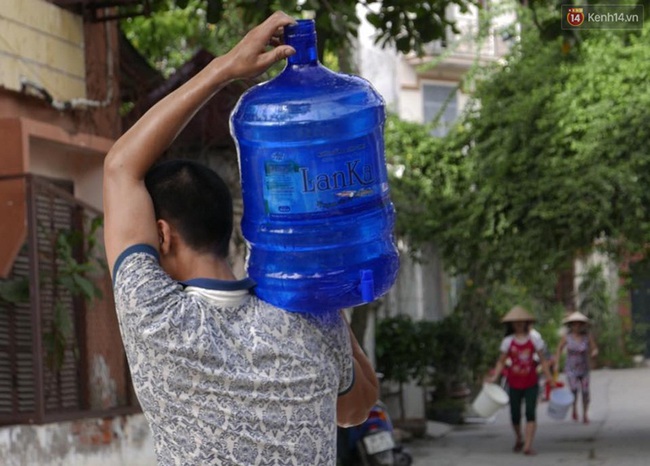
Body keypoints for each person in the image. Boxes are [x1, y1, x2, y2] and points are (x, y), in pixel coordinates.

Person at [102, 11, 379, 466]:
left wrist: (226, 67)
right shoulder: (305, 315)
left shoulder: (156, 318)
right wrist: (323, 283)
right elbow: (357, 407)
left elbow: (119, 167)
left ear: (161, 236)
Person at [488, 305, 555, 456]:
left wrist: (550, 379)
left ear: (527, 323)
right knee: (515, 415)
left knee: (531, 413)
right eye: (515, 322)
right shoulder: (507, 341)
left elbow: (543, 361)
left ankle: (528, 446)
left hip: (531, 382)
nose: (518, 324)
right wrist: (495, 377)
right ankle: (519, 437)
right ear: (511, 324)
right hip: (514, 382)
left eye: (522, 322)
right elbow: (501, 361)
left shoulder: (534, 340)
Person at [554, 311, 599, 424]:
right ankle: (574, 409)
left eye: (579, 324)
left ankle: (585, 414)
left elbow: (594, 348)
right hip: (571, 368)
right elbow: (559, 349)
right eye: (574, 324)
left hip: (584, 368)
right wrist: (557, 363)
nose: (577, 326)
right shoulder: (567, 337)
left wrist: (594, 353)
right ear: (571, 325)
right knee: (573, 390)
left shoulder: (587, 337)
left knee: (585, 391)